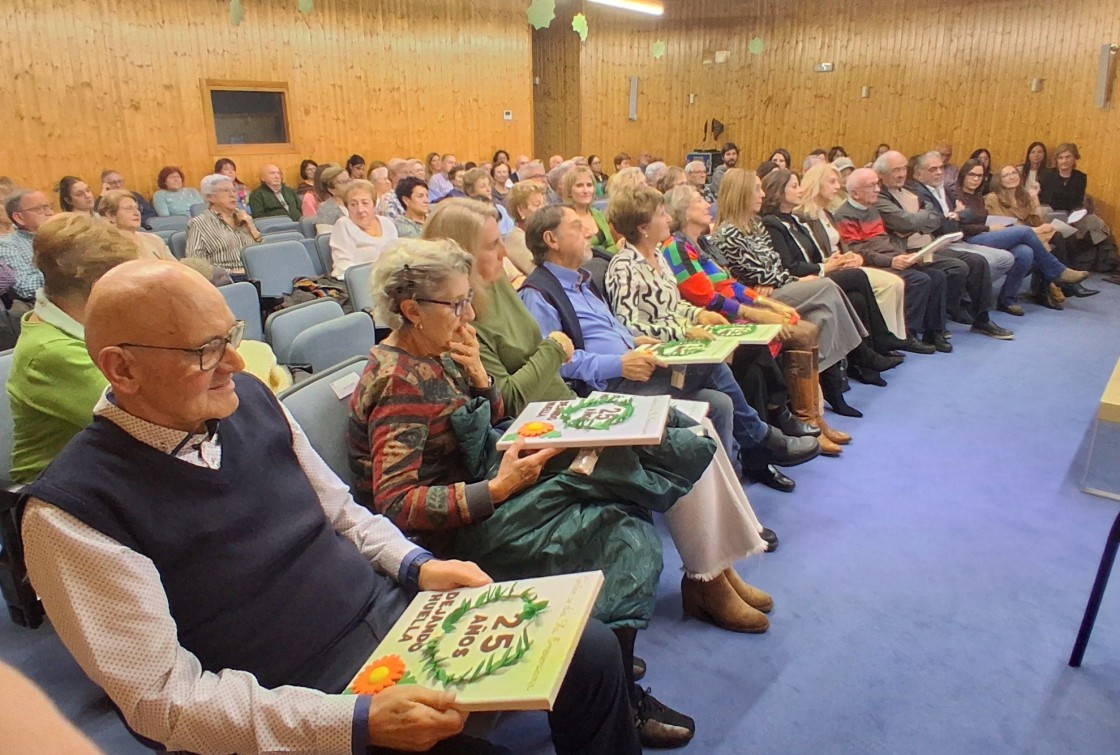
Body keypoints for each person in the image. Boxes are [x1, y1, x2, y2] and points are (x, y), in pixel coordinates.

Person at [24, 258, 639, 755]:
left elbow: (344, 513)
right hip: (297, 698)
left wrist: (415, 566)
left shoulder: (247, 402)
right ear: (121, 369)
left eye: (232, 339)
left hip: (392, 623)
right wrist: (351, 721)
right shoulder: (73, 512)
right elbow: (165, 702)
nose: (238, 365)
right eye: (207, 351)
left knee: (591, 648)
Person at [352, 238, 699, 748]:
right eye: (457, 303)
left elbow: (489, 419)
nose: (468, 313)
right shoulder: (400, 380)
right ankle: (617, 690)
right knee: (623, 537)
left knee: (621, 498)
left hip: (488, 490)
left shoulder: (441, 350)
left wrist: (480, 378)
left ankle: (612, 665)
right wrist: (496, 488)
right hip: (451, 540)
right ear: (411, 310)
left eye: (468, 299)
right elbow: (396, 504)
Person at [425, 198, 780, 630]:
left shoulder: (498, 289)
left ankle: (716, 570)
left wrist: (554, 352)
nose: (503, 253)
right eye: (490, 246)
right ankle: (706, 579)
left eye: (500, 242)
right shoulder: (467, 315)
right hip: (540, 428)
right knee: (679, 435)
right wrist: (553, 350)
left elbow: (547, 356)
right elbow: (511, 397)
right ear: (459, 255)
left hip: (566, 409)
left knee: (697, 422)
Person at [522, 196, 820, 476]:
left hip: (635, 366)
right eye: (577, 227)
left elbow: (613, 327)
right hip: (604, 388)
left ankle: (731, 492)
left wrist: (633, 341)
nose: (589, 231)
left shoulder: (582, 280)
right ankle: (763, 441)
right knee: (713, 365)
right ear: (552, 240)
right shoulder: (539, 294)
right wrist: (620, 363)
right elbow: (556, 363)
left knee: (720, 403)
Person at [660, 185, 848, 461]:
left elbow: (729, 284)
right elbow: (706, 298)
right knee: (782, 340)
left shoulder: (701, 243)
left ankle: (799, 418)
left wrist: (768, 304)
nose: (707, 204)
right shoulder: (675, 248)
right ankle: (784, 421)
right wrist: (756, 313)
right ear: (684, 212)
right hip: (712, 321)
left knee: (799, 331)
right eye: (700, 200)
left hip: (729, 313)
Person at [708, 169, 879, 417]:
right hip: (762, 299)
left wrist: (786, 278)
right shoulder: (729, 233)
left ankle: (819, 399)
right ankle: (858, 355)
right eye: (757, 189)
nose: (762, 194)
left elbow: (773, 267)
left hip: (778, 287)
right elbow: (764, 276)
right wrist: (796, 278)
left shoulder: (754, 225)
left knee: (823, 315)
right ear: (742, 193)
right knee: (829, 285)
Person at [7, 213, 138, 484]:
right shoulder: (49, 352)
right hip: (61, 494)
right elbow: (153, 417)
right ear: (101, 286)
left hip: (113, 472)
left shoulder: (91, 321)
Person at [761, 169, 908, 384]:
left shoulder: (794, 219)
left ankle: (868, 361)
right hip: (801, 280)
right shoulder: (772, 223)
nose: (800, 189)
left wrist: (836, 260)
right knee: (856, 277)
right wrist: (826, 266)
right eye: (794, 186)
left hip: (817, 272)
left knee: (857, 295)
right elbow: (790, 265)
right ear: (778, 193)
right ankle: (876, 344)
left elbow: (813, 252)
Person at [874, 151, 1014, 338]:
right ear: (882, 175)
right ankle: (945, 314)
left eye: (902, 169)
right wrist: (921, 220)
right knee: (957, 267)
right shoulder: (881, 197)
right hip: (908, 251)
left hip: (930, 245)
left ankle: (982, 319)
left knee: (978, 262)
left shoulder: (910, 190)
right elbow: (905, 222)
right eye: (895, 171)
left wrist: (920, 220)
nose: (901, 174)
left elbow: (934, 219)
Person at [834, 168, 951, 352]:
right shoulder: (844, 215)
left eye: (877, 184)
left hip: (890, 257)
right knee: (920, 280)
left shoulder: (872, 210)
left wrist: (906, 256)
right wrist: (892, 261)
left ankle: (934, 331)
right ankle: (906, 334)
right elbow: (858, 251)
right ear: (855, 193)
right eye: (871, 186)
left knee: (938, 276)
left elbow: (884, 242)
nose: (878, 190)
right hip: (872, 265)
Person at [796, 162, 911, 345]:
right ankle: (882, 339)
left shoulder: (826, 212)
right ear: (817, 184)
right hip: (829, 268)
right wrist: (844, 259)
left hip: (842, 263)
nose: (837, 187)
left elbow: (843, 246)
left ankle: (896, 336)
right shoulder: (805, 215)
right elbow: (814, 253)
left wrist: (853, 256)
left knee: (895, 282)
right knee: (885, 284)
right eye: (832, 182)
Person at [953, 157, 1094, 304]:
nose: (976, 179)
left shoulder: (979, 197)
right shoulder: (963, 196)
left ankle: (1007, 299)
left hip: (989, 233)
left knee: (1025, 251)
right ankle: (1058, 272)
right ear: (963, 175)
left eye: (980, 176)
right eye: (972, 175)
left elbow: (1036, 219)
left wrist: (1034, 199)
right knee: (1026, 233)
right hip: (971, 237)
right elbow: (963, 226)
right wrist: (987, 227)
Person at [1038, 142, 1119, 275]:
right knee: (1057, 223)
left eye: (1067, 157)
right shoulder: (1047, 175)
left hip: (1071, 215)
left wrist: (1076, 217)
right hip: (1049, 214)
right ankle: (1068, 268)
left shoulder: (1080, 177)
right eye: (1061, 157)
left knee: (1096, 222)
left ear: (1074, 159)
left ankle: (1085, 255)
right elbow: (1040, 200)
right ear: (1057, 160)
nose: (1064, 161)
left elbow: (1078, 203)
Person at [186, 174, 261, 276]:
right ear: (210, 197)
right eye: (225, 191)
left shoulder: (244, 218)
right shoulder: (199, 223)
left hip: (258, 274)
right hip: (228, 279)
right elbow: (196, 264)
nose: (232, 195)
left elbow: (262, 251)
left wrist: (251, 226)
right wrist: (232, 273)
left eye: (234, 191)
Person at [328, 180, 398, 278]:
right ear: (347, 207)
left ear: (374, 204)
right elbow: (343, 266)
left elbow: (397, 258)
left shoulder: (387, 223)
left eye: (365, 203)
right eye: (353, 204)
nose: (360, 210)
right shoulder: (343, 225)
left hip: (390, 280)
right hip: (359, 283)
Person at [0, 189, 54, 300]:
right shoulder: (7, 246)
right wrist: (62, 271)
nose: (50, 213)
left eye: (49, 206)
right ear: (19, 218)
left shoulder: (63, 236)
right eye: (40, 209)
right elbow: (25, 287)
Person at [98, 190, 176, 261]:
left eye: (137, 208)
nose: (136, 213)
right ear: (111, 215)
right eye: (129, 208)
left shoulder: (154, 240)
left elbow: (177, 269)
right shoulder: (105, 247)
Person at [502, 180, 549, 284]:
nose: (543, 208)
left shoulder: (543, 231)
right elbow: (541, 275)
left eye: (544, 203)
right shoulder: (517, 238)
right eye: (537, 204)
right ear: (521, 209)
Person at [563, 165, 617, 253]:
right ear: (569, 191)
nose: (586, 190)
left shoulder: (598, 214)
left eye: (589, 185)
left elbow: (612, 245)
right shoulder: (564, 218)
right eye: (579, 185)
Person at [462, 168, 514, 233]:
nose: (488, 189)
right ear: (470, 191)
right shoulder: (466, 214)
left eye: (489, 185)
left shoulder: (500, 209)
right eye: (483, 186)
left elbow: (512, 231)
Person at [310, 164, 350, 232]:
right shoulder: (326, 208)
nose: (349, 185)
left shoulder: (356, 203)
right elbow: (325, 236)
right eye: (344, 182)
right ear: (331, 190)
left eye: (349, 180)